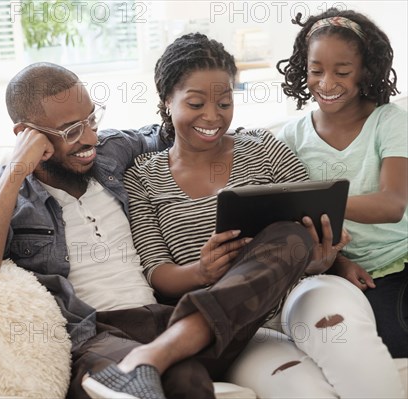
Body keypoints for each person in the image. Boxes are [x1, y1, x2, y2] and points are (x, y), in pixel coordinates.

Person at [0, 62, 317, 399]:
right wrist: (15, 172)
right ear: (26, 134)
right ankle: (151, 361)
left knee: (291, 238)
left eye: (91, 120)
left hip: (175, 318)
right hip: (96, 336)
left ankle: (163, 350)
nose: (89, 139)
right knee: (186, 382)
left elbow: (183, 125)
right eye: (71, 131)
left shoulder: (112, 153)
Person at [124, 32, 405, 398]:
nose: (212, 117)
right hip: (235, 327)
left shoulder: (264, 146)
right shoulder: (143, 177)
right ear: (167, 100)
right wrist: (201, 271)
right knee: (301, 389)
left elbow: (315, 221)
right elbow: (157, 271)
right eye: (195, 103)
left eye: (224, 103)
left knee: (353, 355)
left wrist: (327, 258)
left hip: (303, 290)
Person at [277, 8, 408, 359]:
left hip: (400, 257)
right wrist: (339, 263)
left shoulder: (389, 121)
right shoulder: (290, 138)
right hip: (344, 268)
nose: (326, 83)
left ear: (365, 70)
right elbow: (293, 220)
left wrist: (319, 200)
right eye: (315, 70)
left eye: (342, 71)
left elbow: (392, 204)